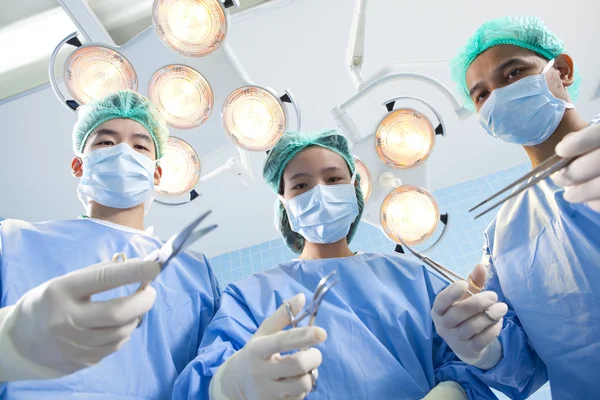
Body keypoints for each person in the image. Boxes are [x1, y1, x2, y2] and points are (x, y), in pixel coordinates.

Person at [172, 129, 516, 400]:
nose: (320, 190)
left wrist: (456, 386)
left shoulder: (411, 277)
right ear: (285, 207)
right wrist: (227, 390)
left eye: (334, 178)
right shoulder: (249, 295)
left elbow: (468, 365)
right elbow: (206, 380)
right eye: (301, 185)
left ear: (354, 189)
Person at [0, 90, 220, 399]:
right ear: (79, 165)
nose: (123, 151)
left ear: (156, 174)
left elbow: (210, 371)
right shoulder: (12, 241)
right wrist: (8, 344)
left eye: (140, 146)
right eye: (105, 142)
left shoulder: (193, 271)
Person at [432, 16, 600, 400]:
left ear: (562, 70)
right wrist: (483, 348)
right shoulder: (504, 233)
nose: (498, 95)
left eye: (512, 74)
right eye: (481, 94)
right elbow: (526, 369)